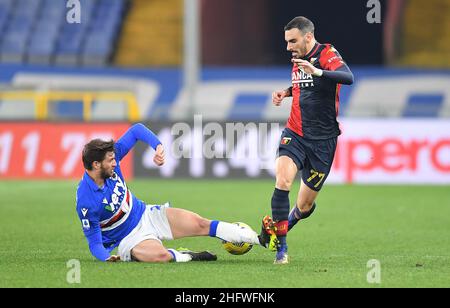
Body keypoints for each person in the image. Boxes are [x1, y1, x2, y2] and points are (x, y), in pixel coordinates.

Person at [76, 123, 276, 263]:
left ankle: (259, 239)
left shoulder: (111, 161)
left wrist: (158, 146)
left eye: (113, 158)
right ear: (96, 165)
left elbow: (136, 130)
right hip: (128, 239)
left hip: (146, 214)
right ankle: (190, 256)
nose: (115, 162)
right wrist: (106, 257)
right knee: (160, 256)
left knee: (200, 223)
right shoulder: (86, 201)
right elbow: (94, 243)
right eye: (110, 160)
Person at [261, 16, 354, 264]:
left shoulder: (326, 53)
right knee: (283, 180)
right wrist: (286, 92)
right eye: (287, 41)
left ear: (308, 37)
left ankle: (279, 228)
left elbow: (348, 77)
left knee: (303, 206)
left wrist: (319, 71)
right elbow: (304, 84)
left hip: (323, 141)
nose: (288, 47)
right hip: (295, 133)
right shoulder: (297, 59)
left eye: (293, 41)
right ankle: (281, 248)